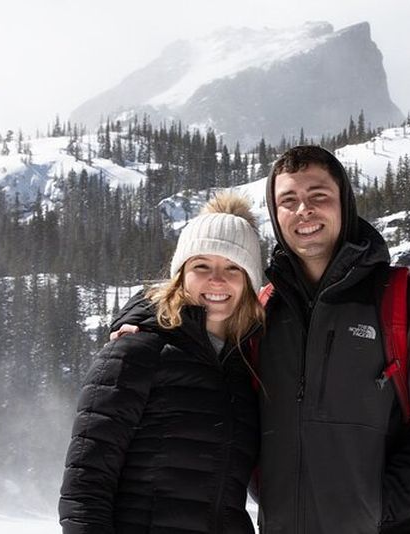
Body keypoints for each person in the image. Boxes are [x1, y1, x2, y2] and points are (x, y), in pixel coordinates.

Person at [112, 146, 410, 534]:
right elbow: (195, 312)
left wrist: (376, 508)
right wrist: (139, 318)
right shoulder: (262, 310)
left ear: (344, 204)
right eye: (289, 200)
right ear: (276, 214)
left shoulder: (405, 302)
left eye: (318, 196)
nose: (304, 209)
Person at [59, 192, 264, 534]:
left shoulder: (247, 368)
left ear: (249, 282)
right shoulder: (136, 352)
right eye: (202, 266)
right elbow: (86, 485)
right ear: (180, 274)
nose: (217, 279)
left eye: (233, 268)